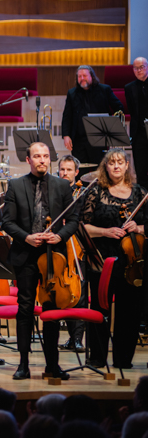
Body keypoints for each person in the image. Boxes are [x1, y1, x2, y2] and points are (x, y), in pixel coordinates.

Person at [0, 141, 78, 381]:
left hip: (54, 257)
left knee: (51, 311)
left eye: (45, 156)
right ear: (28, 160)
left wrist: (59, 236)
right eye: (37, 156)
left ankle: (52, 365)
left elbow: (73, 219)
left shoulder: (63, 186)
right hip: (26, 255)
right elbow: (6, 222)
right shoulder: (15, 185)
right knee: (24, 309)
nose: (42, 159)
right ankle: (23, 364)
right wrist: (27, 237)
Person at [80, 149, 146, 370]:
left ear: (127, 166)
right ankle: (97, 357)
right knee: (100, 309)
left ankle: (123, 359)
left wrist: (139, 227)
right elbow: (84, 226)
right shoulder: (96, 192)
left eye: (120, 162)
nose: (116, 166)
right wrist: (105, 232)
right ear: (105, 167)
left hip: (132, 262)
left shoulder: (139, 193)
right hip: (102, 261)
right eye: (111, 163)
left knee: (130, 312)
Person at [61, 65, 124, 167]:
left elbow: (119, 108)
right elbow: (67, 116)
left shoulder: (104, 90)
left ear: (92, 76)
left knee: (99, 171)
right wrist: (66, 135)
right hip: (78, 140)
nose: (82, 79)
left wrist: (111, 126)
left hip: (99, 139)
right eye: (79, 76)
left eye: (84, 76)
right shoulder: (72, 93)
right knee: (80, 171)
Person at [56, 154, 86, 351]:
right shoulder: (55, 190)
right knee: (62, 291)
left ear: (76, 172)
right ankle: (69, 336)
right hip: (59, 247)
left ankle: (77, 339)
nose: (65, 173)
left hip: (77, 247)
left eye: (69, 170)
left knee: (79, 293)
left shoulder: (82, 194)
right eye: (62, 169)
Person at [124, 56, 148, 184]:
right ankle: (144, 200)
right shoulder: (129, 88)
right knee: (140, 169)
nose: (139, 70)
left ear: (147, 67)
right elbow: (133, 111)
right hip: (139, 133)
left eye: (142, 67)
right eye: (136, 68)